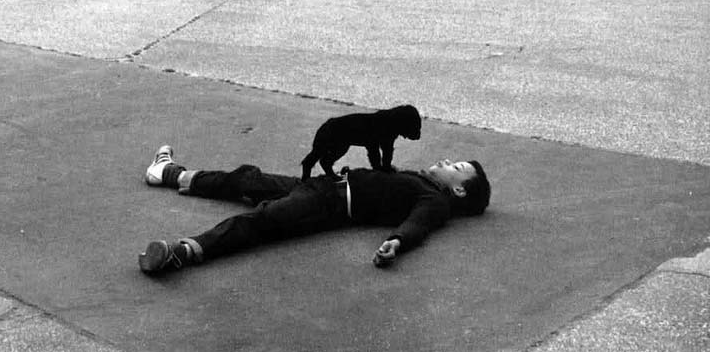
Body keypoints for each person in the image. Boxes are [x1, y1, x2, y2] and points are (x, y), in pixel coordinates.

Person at [138, 144, 490, 275]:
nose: (446, 161)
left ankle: (181, 253)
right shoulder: (421, 182)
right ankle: (169, 173)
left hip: (328, 204)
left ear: (458, 190)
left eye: (455, 167)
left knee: (265, 218)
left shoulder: (436, 201)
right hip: (324, 185)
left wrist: (397, 241)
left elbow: (419, 224)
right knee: (249, 180)